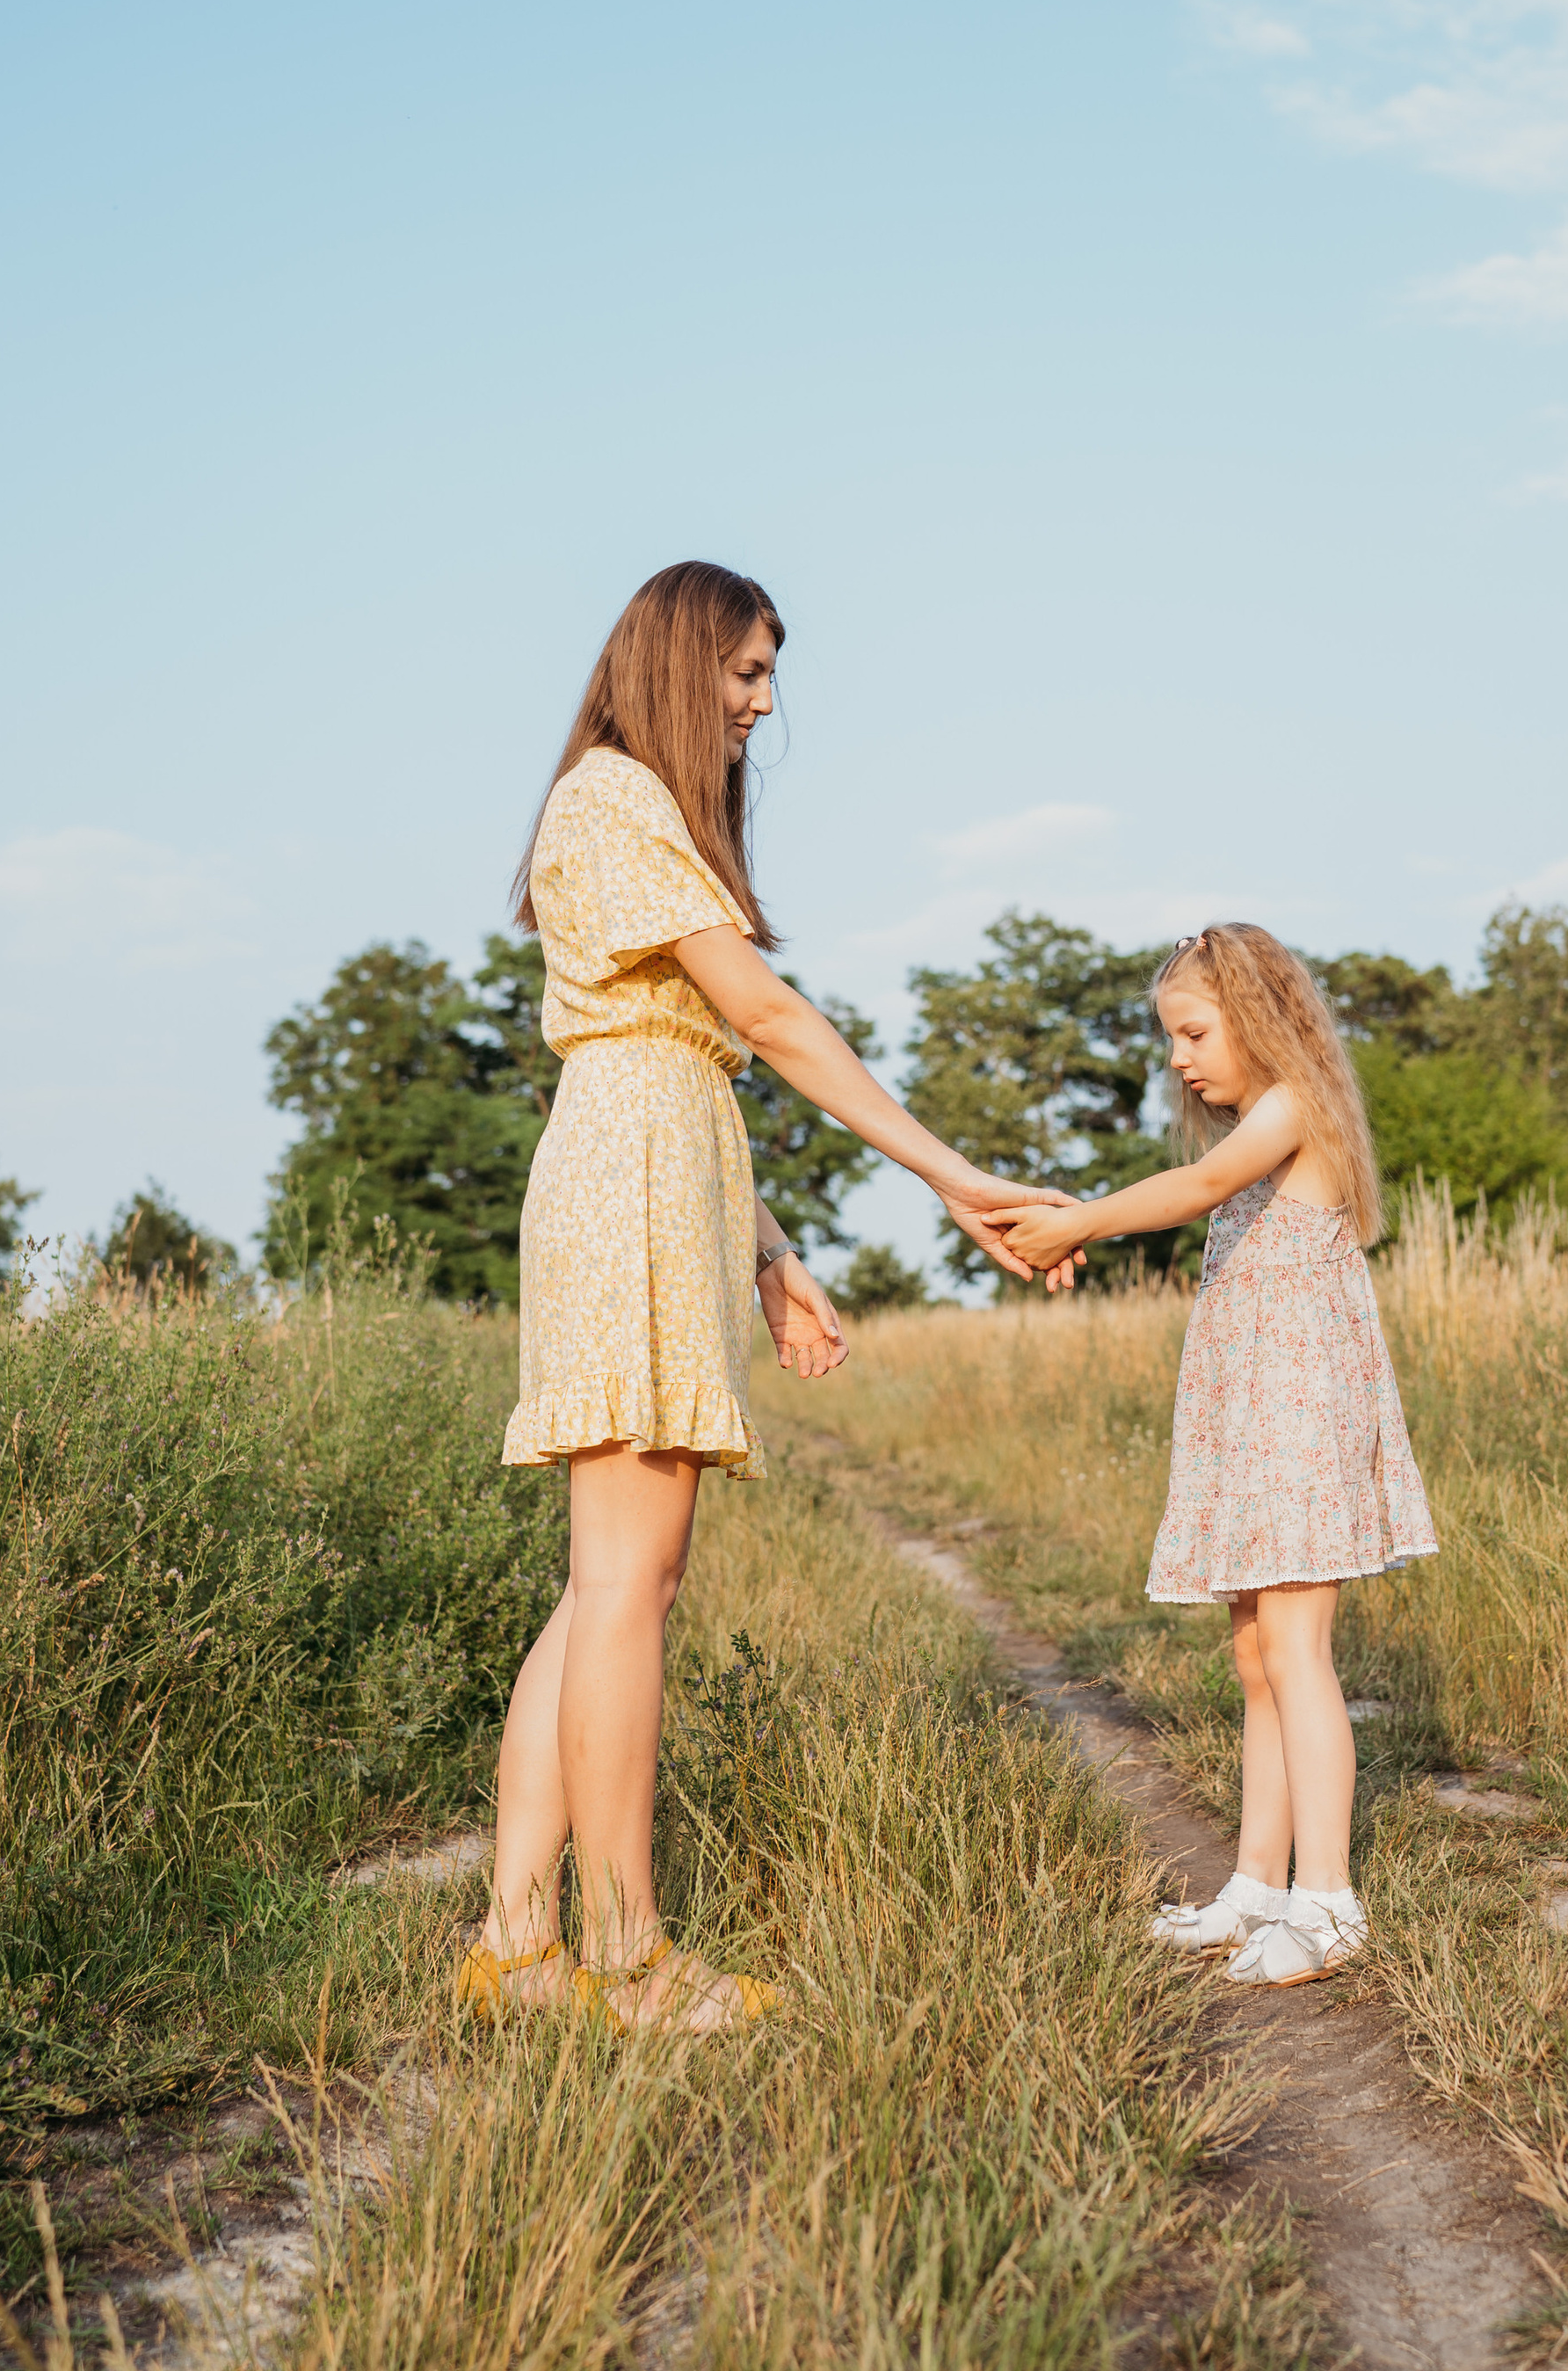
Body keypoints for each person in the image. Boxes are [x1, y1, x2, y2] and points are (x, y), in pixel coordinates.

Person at [459, 560, 1069, 2033]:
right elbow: (762, 1021)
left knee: (615, 1585)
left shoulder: (638, 812)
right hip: (629, 1194)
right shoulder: (612, 797)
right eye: (743, 672)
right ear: (677, 663)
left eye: (769, 674)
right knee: (625, 1587)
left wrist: (775, 1252)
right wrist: (949, 1173)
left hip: (664, 1185)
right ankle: (626, 1956)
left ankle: (515, 1947)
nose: (763, 701)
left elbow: (674, 1065)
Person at [999, 924, 1436, 1986]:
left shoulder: (1294, 1108)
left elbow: (1188, 1191)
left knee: (1297, 1651)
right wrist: (1071, 1218)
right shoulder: (1256, 1123)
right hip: (1255, 1416)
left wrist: (1077, 1227)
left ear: (1258, 1013)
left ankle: (1328, 1903)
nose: (1182, 1058)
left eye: (1195, 1032)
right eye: (1172, 1041)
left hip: (1297, 1416)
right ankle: (1256, 1886)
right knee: (1255, 1657)